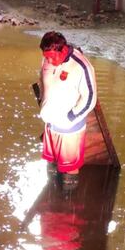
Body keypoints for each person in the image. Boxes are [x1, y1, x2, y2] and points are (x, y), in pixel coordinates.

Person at [37, 31, 97, 190]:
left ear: (63, 50)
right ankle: (50, 194)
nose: (48, 60)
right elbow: (42, 81)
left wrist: (71, 117)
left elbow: (90, 97)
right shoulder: (47, 59)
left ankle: (67, 202)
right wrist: (43, 104)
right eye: (46, 56)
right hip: (50, 124)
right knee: (51, 164)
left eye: (52, 57)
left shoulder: (82, 66)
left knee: (69, 169)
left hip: (69, 128)